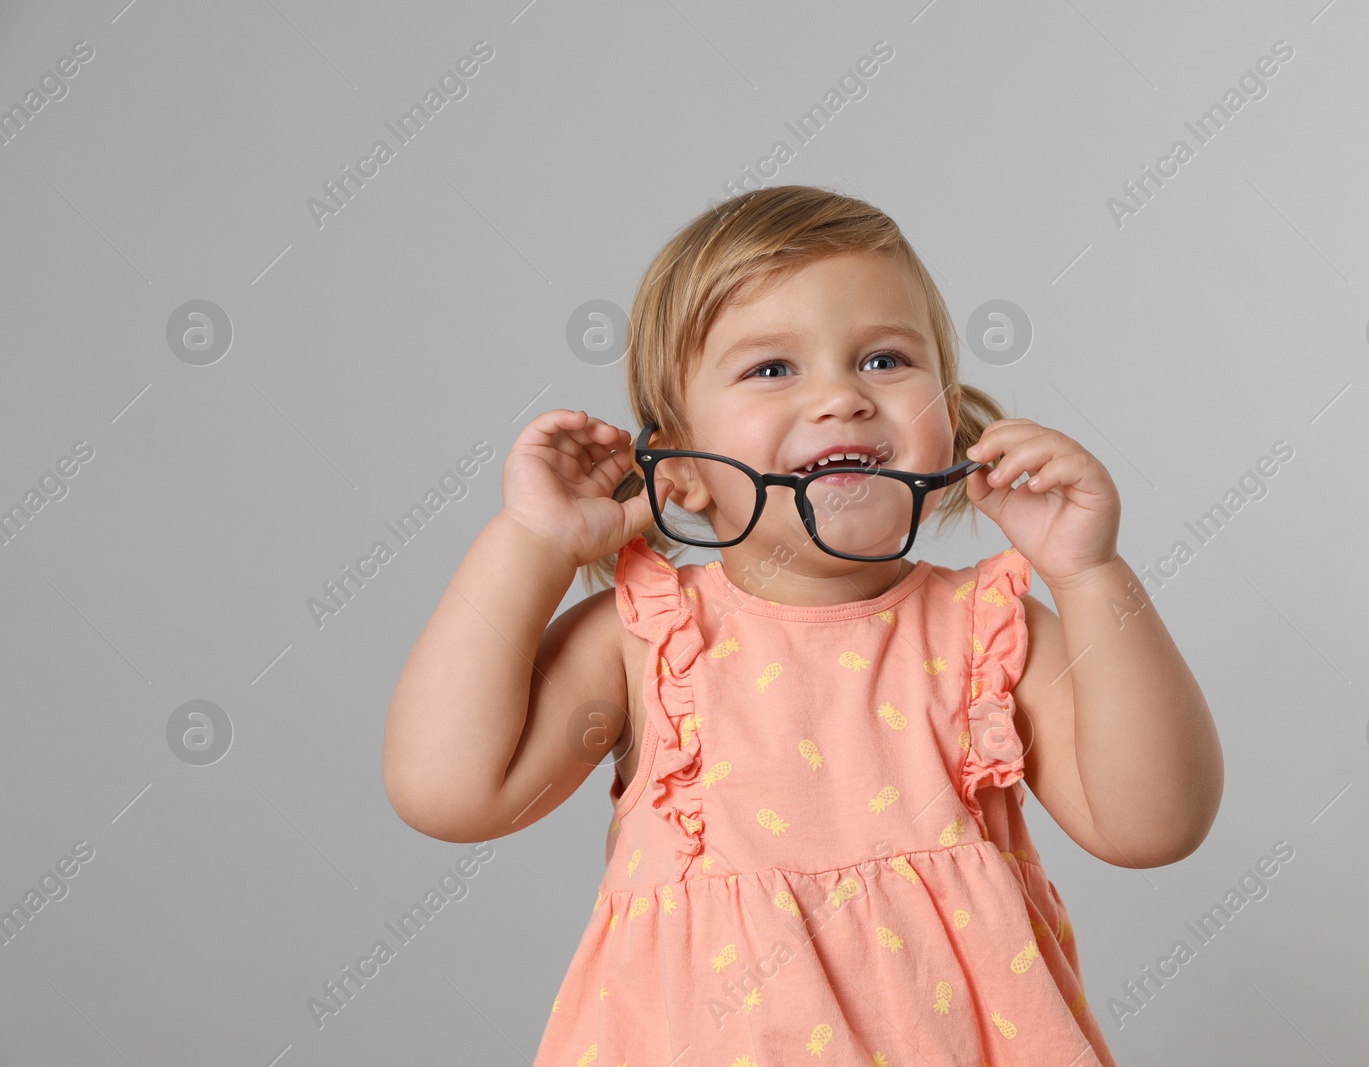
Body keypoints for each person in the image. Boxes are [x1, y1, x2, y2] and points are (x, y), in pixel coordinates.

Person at [384, 185, 1222, 1066]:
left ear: (950, 418)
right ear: (682, 466)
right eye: (772, 369)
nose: (842, 397)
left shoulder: (992, 632)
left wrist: (1090, 574)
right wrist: (529, 545)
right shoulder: (646, 640)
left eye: (886, 360)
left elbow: (1153, 826)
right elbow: (448, 791)